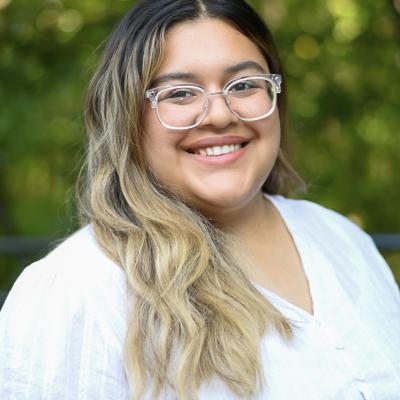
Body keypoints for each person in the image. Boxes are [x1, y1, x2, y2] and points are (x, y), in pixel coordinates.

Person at [1, 0, 399, 399]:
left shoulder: (343, 240)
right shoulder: (78, 291)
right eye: (180, 93)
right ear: (128, 118)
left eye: (244, 85)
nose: (220, 114)